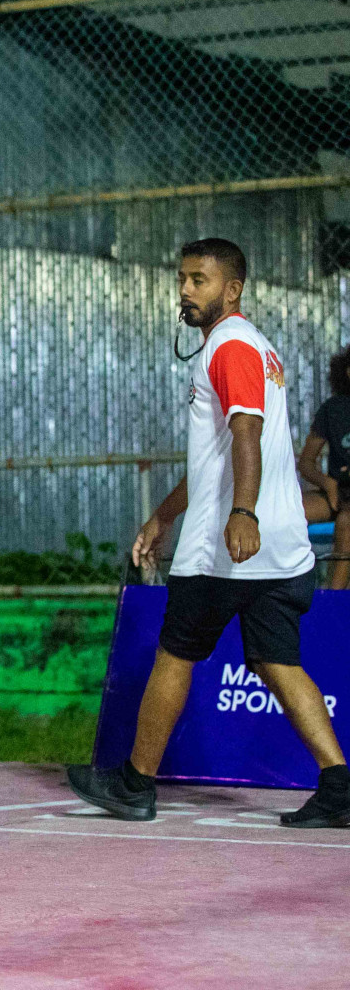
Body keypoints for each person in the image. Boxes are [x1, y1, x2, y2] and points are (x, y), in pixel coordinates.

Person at [68, 238, 348, 828]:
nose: (186, 290)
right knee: (278, 661)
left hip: (227, 546)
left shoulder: (231, 346)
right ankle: (340, 784)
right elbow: (216, 457)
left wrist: (239, 513)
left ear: (233, 288)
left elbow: (246, 434)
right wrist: (163, 515)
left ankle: (134, 783)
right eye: (183, 279)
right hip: (278, 545)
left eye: (200, 280)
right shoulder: (253, 348)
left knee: (175, 653)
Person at [300, 344, 350, 590]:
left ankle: (334, 600)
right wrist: (327, 483)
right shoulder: (334, 409)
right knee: (286, 512)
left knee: (346, 523)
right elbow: (306, 463)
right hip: (336, 492)